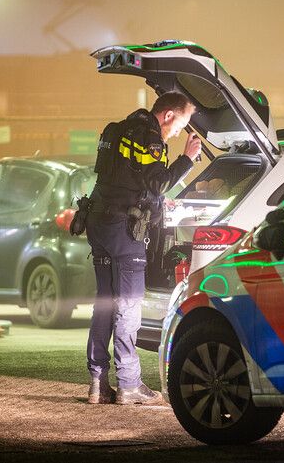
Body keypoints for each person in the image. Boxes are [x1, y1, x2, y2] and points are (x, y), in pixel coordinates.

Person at [84, 91, 201, 405]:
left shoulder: (122, 129)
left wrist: (157, 202)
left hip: (99, 223)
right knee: (128, 306)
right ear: (167, 116)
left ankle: (98, 383)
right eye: (181, 125)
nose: (179, 133)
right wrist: (187, 159)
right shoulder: (150, 138)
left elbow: (131, 181)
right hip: (124, 230)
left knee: (105, 303)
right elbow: (157, 182)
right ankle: (129, 384)